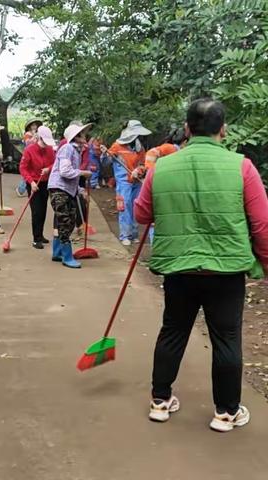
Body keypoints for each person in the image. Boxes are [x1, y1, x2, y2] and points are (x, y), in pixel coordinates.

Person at [134, 98, 268, 432]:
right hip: (225, 271)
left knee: (173, 330)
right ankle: (226, 413)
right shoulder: (242, 167)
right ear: (223, 129)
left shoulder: (162, 168)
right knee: (226, 338)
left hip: (179, 269)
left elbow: (141, 214)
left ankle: (160, 401)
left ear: (187, 129)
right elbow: (262, 224)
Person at [48, 123, 92, 268]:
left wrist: (80, 190)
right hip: (59, 189)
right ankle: (66, 256)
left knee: (70, 220)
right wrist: (83, 173)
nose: (85, 136)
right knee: (65, 221)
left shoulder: (76, 152)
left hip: (68, 190)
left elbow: (71, 176)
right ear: (76, 137)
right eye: (82, 134)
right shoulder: (67, 149)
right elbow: (65, 172)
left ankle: (57, 251)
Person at [103, 120, 151, 246]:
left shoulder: (139, 148)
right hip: (123, 182)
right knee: (124, 207)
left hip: (136, 181)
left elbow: (143, 164)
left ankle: (133, 234)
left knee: (136, 206)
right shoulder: (117, 146)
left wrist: (138, 170)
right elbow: (106, 163)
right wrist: (106, 155)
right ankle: (124, 235)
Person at [19, 126, 56, 249]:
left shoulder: (50, 149)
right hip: (33, 183)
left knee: (44, 209)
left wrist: (48, 169)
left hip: (45, 182)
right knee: (36, 211)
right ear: (40, 138)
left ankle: (40, 235)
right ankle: (36, 238)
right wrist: (31, 182)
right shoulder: (29, 150)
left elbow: (54, 163)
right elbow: (23, 168)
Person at [16, 119, 43, 197]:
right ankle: (20, 189)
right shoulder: (27, 134)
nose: (34, 126)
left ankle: (24, 188)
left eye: (35, 125)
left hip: (34, 154)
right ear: (29, 126)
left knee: (30, 172)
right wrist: (34, 137)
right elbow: (28, 143)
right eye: (33, 125)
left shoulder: (37, 134)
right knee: (27, 172)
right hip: (28, 155)